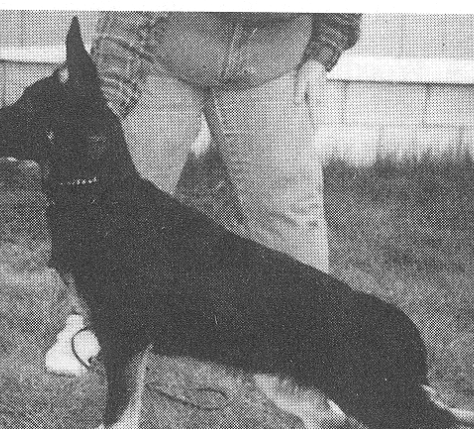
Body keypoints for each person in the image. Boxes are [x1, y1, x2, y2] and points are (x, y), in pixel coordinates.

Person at [45, 12, 362, 375]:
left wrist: (322, 54)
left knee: (291, 209)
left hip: (271, 62)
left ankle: (316, 340)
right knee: (114, 203)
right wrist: (106, 100)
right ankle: (88, 322)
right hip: (165, 57)